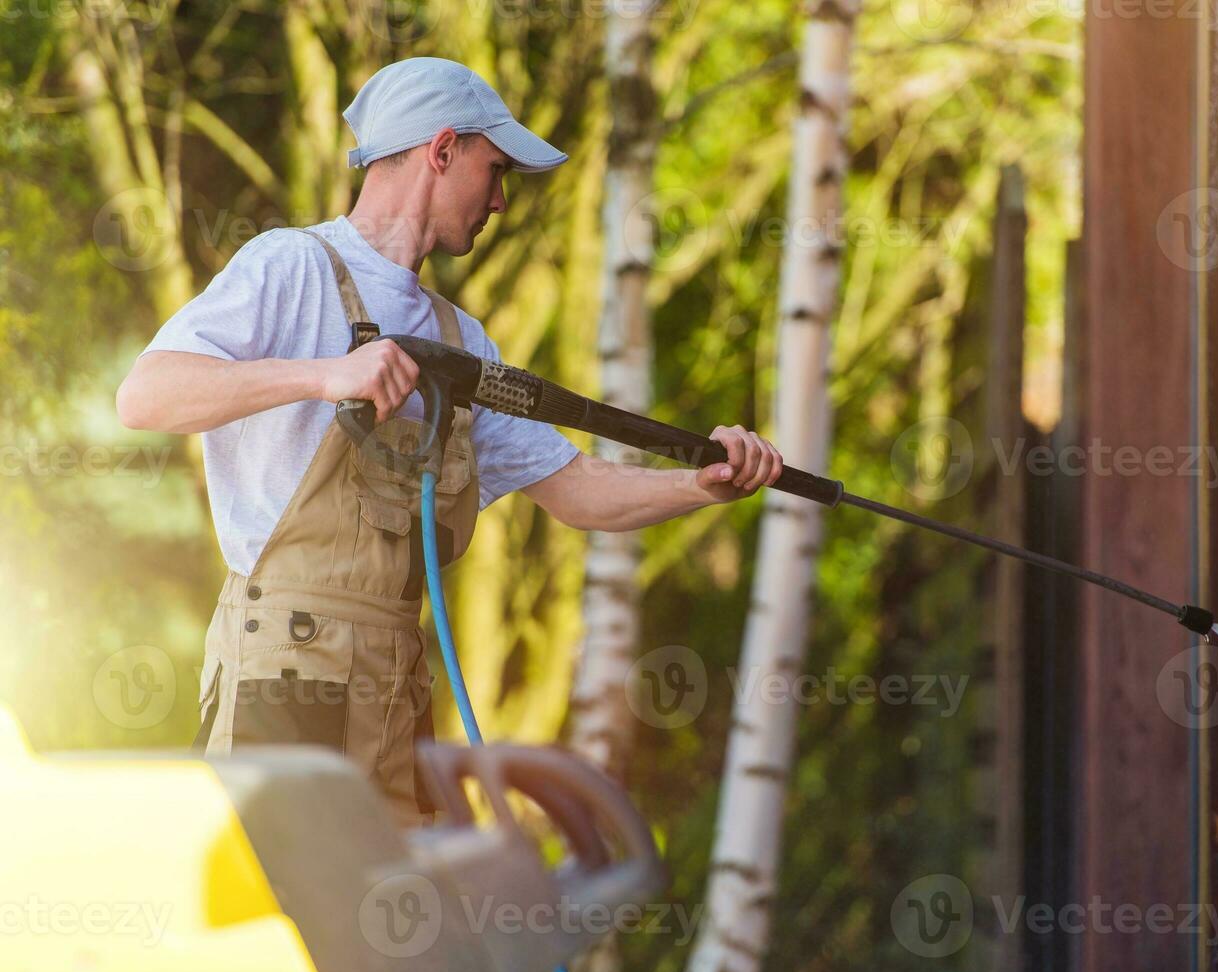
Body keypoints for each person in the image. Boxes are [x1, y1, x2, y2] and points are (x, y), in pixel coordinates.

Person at [116, 57, 783, 827]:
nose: (501, 199)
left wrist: (699, 487)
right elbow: (146, 394)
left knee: (400, 930)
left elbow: (574, 490)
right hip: (286, 667)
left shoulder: (460, 343)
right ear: (440, 151)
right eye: (494, 170)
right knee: (282, 921)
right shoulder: (290, 264)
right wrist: (324, 375)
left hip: (396, 685)